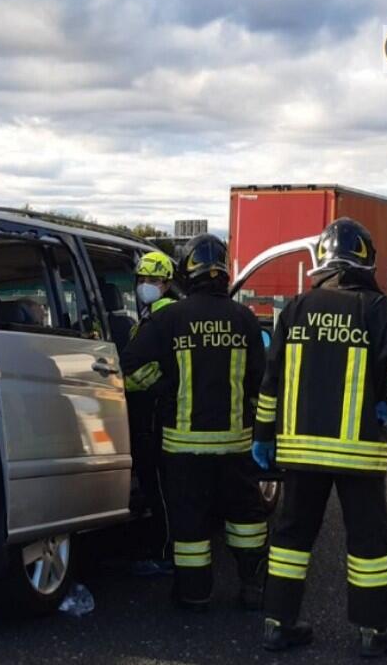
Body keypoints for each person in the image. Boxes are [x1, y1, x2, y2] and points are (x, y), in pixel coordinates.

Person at [251, 218, 387, 658]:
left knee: (292, 537)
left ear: (323, 262)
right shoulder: (377, 308)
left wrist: (263, 435)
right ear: (366, 260)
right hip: (358, 452)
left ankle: (277, 624)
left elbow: (270, 381)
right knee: (366, 541)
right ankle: (372, 632)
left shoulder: (294, 308)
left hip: (300, 450)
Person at [121, 234, 268, 612]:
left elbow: (131, 368)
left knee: (190, 525)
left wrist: (167, 383)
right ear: (224, 271)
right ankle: (252, 587)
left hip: (183, 446)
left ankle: (194, 594)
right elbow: (261, 379)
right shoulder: (245, 318)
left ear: (187, 271)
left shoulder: (169, 318)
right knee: (245, 518)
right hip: (236, 443)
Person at [124, 250, 178, 576]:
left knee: (158, 486)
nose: (146, 285)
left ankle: (165, 552)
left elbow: (132, 364)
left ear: (167, 283)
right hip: (154, 411)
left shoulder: (161, 317)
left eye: (153, 280)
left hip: (155, 412)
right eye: (142, 279)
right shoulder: (151, 315)